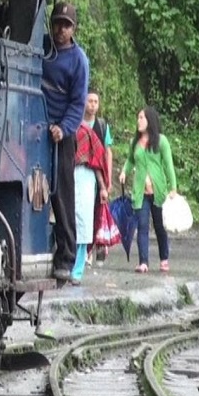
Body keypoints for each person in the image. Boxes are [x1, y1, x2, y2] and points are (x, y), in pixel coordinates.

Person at [42, 1, 90, 282]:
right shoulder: (43, 47)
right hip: (36, 125)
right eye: (57, 23)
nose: (61, 29)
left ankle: (67, 257)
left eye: (66, 24)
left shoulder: (78, 60)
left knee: (62, 194)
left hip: (62, 132)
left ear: (74, 29)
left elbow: (78, 102)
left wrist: (63, 128)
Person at [118, 106, 177, 274]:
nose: (139, 121)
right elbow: (130, 160)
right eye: (138, 117)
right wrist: (124, 171)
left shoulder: (162, 141)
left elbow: (168, 164)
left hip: (158, 192)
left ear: (150, 120)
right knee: (142, 227)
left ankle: (164, 259)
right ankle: (143, 262)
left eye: (142, 117)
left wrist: (173, 187)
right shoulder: (134, 142)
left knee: (160, 227)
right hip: (140, 192)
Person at [71, 121, 109, 284]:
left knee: (84, 225)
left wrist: (102, 188)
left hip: (86, 179)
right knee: (68, 222)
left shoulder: (87, 132)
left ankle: (77, 271)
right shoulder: (67, 129)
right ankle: (67, 265)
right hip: (68, 174)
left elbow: (97, 161)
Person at [83, 89, 114, 265]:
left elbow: (107, 152)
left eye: (96, 102)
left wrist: (107, 179)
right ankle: (85, 251)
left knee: (97, 212)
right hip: (83, 175)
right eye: (90, 101)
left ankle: (95, 248)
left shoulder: (102, 126)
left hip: (99, 176)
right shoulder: (78, 123)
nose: (93, 105)